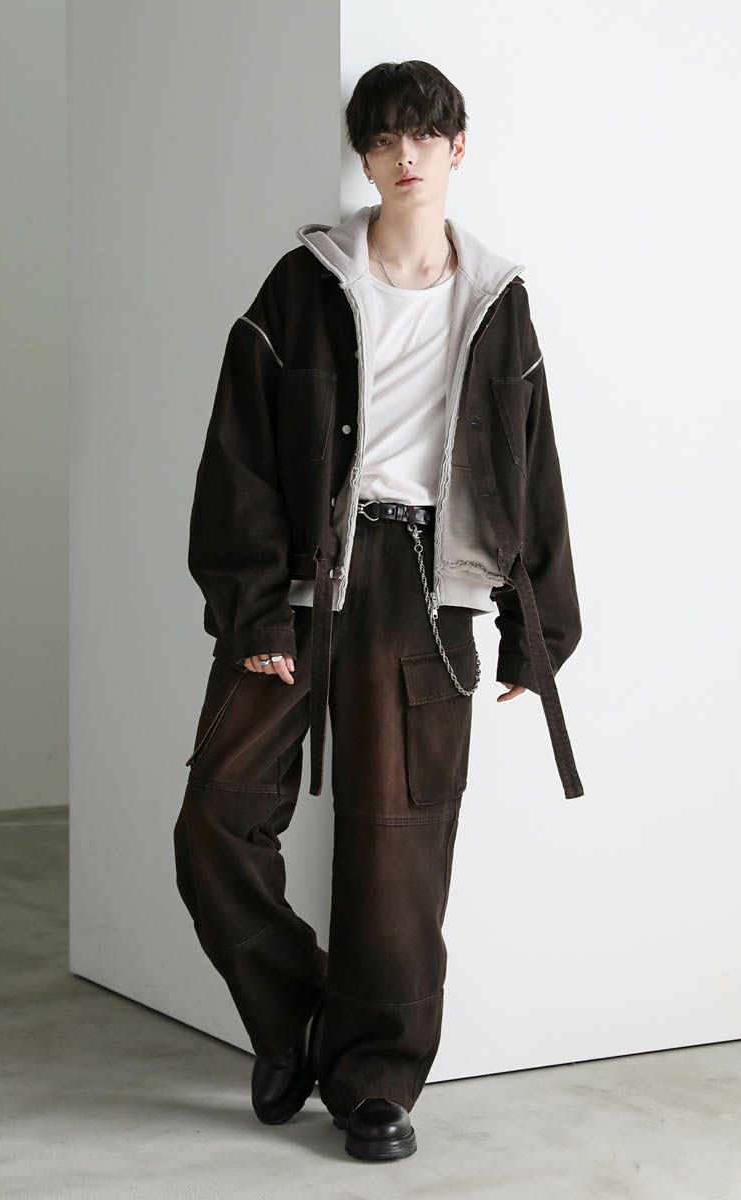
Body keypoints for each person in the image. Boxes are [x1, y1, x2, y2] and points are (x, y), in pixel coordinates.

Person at [173, 59, 583, 1163]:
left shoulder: (496, 299)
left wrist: (537, 627)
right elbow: (238, 457)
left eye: (426, 136)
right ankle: (294, 1017)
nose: (407, 156)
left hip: (424, 590)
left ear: (459, 148)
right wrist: (256, 612)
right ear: (363, 156)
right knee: (216, 815)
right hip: (306, 583)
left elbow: (531, 462)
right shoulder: (302, 285)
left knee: (398, 848)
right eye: (386, 138)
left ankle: (374, 1083)